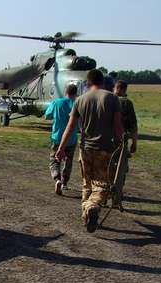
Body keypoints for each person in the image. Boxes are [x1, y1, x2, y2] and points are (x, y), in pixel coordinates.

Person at [56, 69, 123, 232]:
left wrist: (61, 148)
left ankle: (86, 215)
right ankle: (92, 206)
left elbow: (70, 127)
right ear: (103, 82)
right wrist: (121, 145)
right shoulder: (113, 99)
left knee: (86, 184)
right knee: (101, 185)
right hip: (105, 149)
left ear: (88, 83)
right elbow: (118, 127)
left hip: (85, 149)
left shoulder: (80, 100)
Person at [45, 83, 78, 195]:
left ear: (65, 91)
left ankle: (57, 179)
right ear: (76, 93)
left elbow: (47, 115)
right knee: (68, 162)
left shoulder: (56, 102)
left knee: (54, 160)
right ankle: (64, 183)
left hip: (58, 137)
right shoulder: (77, 104)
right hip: (72, 138)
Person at [113, 80, 138, 209]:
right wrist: (134, 142)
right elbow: (133, 125)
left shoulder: (107, 100)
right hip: (121, 142)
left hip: (105, 141)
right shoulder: (127, 103)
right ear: (124, 89)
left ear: (115, 88)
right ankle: (117, 194)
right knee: (121, 169)